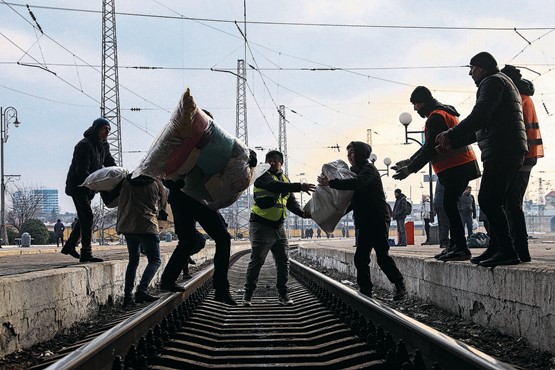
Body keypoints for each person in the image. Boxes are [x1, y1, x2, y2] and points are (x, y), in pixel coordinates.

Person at [436, 52, 528, 267]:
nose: (470, 73)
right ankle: (497, 248)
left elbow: (480, 114)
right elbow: (483, 125)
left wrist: (450, 134)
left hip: (502, 148)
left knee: (488, 200)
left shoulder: (492, 82)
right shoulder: (500, 82)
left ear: (482, 67)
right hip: (507, 147)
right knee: (495, 201)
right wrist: (454, 141)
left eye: (472, 68)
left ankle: (507, 250)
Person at [394, 86, 481, 261]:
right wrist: (409, 161)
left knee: (449, 205)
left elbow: (429, 149)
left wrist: (410, 169)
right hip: (460, 166)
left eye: (416, 104)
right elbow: (429, 147)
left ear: (423, 102)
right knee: (450, 205)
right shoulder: (443, 113)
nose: (415, 109)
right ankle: (455, 246)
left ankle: (460, 248)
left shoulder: (436, 118)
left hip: (456, 166)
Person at [318, 142, 406, 300]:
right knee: (361, 257)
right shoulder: (354, 172)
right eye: (348, 153)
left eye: (352, 152)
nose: (350, 156)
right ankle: (365, 290)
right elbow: (350, 200)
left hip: (377, 218)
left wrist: (330, 183)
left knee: (382, 256)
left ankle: (399, 285)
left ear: (361, 153)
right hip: (363, 220)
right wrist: (331, 213)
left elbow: (356, 184)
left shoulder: (369, 170)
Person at [242, 150, 315, 307]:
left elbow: (291, 203)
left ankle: (283, 294)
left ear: (281, 163)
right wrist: (299, 186)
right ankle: (248, 295)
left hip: (279, 226)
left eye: (275, 160)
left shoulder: (285, 179)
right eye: (269, 160)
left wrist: (303, 214)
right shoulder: (262, 175)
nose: (272, 162)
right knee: (257, 260)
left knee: (283, 261)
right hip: (261, 224)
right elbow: (274, 186)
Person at [499, 65, 544, 263]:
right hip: (527, 155)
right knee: (511, 203)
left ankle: (520, 250)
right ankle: (518, 249)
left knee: (511, 203)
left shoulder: (518, 98)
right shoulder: (524, 95)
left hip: (522, 157)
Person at [62, 118, 116, 262]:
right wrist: (98, 185)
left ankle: (70, 245)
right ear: (96, 128)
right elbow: (81, 172)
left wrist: (119, 174)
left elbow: (109, 162)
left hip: (90, 187)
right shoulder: (84, 145)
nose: (107, 132)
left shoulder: (104, 145)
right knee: (87, 217)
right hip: (78, 186)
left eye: (109, 130)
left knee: (84, 218)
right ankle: (86, 252)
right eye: (104, 129)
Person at [117, 173, 167, 306]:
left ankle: (127, 297)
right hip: (147, 227)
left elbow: (120, 203)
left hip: (128, 226)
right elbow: (161, 206)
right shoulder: (156, 184)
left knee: (133, 261)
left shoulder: (126, 182)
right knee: (155, 260)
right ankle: (141, 290)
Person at [433, 182, 451, 249]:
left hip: (438, 203)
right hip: (443, 202)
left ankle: (442, 241)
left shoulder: (439, 178)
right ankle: (445, 241)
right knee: (445, 223)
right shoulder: (445, 177)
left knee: (441, 224)